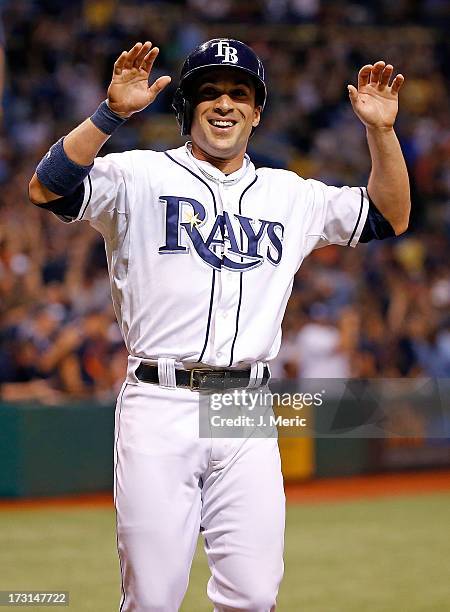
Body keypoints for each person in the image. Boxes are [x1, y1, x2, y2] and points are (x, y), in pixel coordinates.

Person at [29, 39, 410, 611]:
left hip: (245, 404)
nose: (224, 104)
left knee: (254, 597)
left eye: (239, 93)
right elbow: (48, 187)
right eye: (208, 93)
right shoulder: (138, 174)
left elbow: (390, 215)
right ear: (186, 109)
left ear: (258, 112)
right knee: (153, 599)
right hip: (161, 399)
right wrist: (111, 115)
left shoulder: (289, 194)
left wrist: (380, 132)